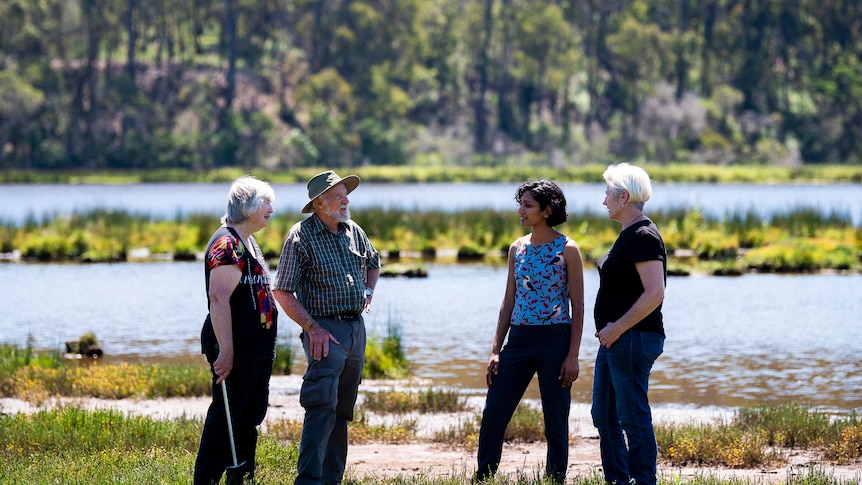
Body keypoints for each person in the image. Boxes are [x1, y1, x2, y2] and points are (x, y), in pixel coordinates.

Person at [273, 170, 380, 485]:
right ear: (319, 203)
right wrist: (312, 328)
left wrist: (368, 292)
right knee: (321, 406)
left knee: (343, 410)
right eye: (338, 196)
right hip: (324, 331)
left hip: (355, 329)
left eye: (346, 194)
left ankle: (332, 479)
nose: (346, 200)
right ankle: (308, 480)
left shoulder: (354, 230)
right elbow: (282, 291)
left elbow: (374, 263)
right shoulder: (299, 236)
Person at [475, 179, 585, 484]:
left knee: (555, 419)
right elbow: (508, 300)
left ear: (547, 210)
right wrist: (496, 349)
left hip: (555, 340)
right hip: (519, 339)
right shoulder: (517, 247)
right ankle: (483, 476)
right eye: (520, 204)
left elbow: (578, 306)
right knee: (495, 410)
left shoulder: (568, 249)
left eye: (528, 205)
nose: (520, 211)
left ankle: (554, 479)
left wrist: (573, 355)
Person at [194, 176, 279, 484]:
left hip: (256, 350)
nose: (272, 208)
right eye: (266, 202)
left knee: (248, 417)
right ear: (248, 207)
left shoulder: (249, 242)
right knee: (225, 420)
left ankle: (241, 478)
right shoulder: (227, 243)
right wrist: (226, 351)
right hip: (237, 350)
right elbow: (218, 299)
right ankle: (206, 480)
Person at [591, 163, 667, 485]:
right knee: (603, 414)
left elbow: (655, 293)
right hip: (614, 339)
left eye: (608, 194)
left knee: (632, 416)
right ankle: (620, 479)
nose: (604, 201)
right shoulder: (627, 235)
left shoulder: (644, 236)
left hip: (631, 338)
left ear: (623, 196)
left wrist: (617, 328)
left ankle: (643, 480)